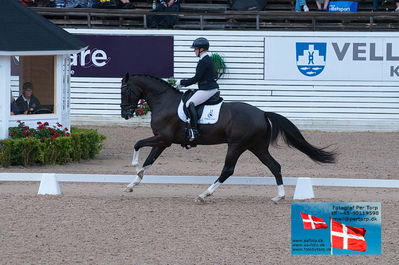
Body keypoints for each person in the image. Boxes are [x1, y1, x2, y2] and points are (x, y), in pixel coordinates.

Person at [176, 37, 219, 142]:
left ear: (201, 49)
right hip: (208, 87)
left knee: (189, 103)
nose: (194, 51)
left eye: (195, 49)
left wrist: (182, 83)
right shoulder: (207, 59)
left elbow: (197, 78)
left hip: (208, 89)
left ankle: (194, 130)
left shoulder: (204, 61)